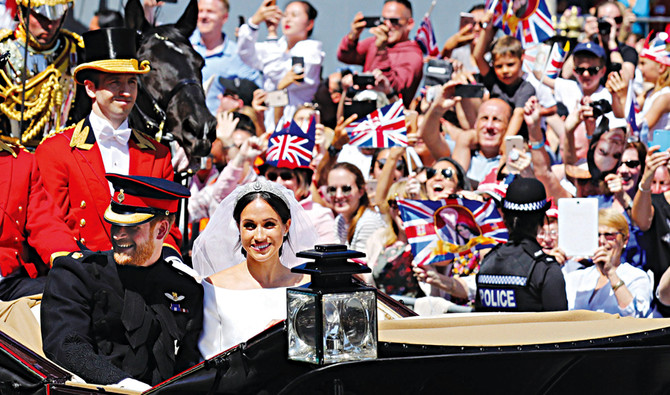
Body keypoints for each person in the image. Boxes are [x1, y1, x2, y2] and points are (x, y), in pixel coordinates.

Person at [41, 174, 203, 392]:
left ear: (162, 230)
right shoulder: (77, 274)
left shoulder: (185, 288)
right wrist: (123, 386)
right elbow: (68, 346)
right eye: (115, 225)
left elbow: (189, 362)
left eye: (131, 227)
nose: (118, 235)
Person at [35, 27, 181, 253]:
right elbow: (51, 223)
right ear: (91, 89)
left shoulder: (159, 154)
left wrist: (167, 261)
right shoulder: (56, 150)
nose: (126, 91)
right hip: (82, 275)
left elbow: (167, 226)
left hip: (144, 276)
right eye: (115, 82)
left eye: (132, 82)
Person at [192, 180, 317, 358]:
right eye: (250, 225)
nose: (259, 236)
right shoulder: (214, 287)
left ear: (286, 226)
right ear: (238, 228)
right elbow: (208, 357)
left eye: (269, 225)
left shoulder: (307, 287)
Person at [0, 139, 78, 300]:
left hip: (8, 286)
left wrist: (74, 265)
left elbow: (45, 223)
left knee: (71, 296)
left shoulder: (20, 161)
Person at [475, 176, 567, 312]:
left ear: (504, 218)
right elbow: (560, 328)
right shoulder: (545, 270)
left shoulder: (488, 262)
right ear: (542, 219)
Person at [0, 0, 85, 147]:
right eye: (41, 18)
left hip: (61, 150)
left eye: (56, 17)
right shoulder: (3, 50)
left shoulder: (77, 50)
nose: (50, 25)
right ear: (22, 12)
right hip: (10, 152)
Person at [237, 0, 323, 131]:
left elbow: (277, 74)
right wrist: (254, 22)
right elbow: (245, 53)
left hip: (298, 124)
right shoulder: (277, 46)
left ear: (310, 24)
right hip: (269, 123)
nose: (287, 19)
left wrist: (272, 35)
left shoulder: (312, 52)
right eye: (285, 15)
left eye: (294, 15)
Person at [565, 208, 652, 317]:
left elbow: (636, 315)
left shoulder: (637, 277)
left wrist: (611, 273)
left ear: (625, 239)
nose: (601, 241)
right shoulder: (575, 278)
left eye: (609, 235)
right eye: (596, 235)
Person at [337, 0, 423, 107]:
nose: (387, 25)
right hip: (364, 112)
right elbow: (345, 56)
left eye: (394, 21)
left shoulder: (413, 55)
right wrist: (352, 37)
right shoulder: (375, 42)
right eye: (384, 20)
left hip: (390, 118)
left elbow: (394, 88)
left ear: (409, 24)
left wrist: (381, 51)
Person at [190, 0, 262, 114]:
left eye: (210, 12)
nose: (203, 16)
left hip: (218, 127)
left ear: (225, 17)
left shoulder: (238, 55)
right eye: (200, 11)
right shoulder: (183, 46)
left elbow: (257, 93)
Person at [473, 20, 535, 136]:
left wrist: (505, 144)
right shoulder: (493, 80)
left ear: (521, 60)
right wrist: (486, 29)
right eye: (499, 66)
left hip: (517, 137)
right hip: (492, 132)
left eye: (510, 64)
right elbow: (478, 57)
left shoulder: (526, 88)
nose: (505, 71)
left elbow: (518, 115)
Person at [327, 162, 385, 253]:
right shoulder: (340, 220)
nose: (338, 196)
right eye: (332, 190)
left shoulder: (368, 221)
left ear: (361, 191)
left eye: (346, 189)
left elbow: (362, 264)